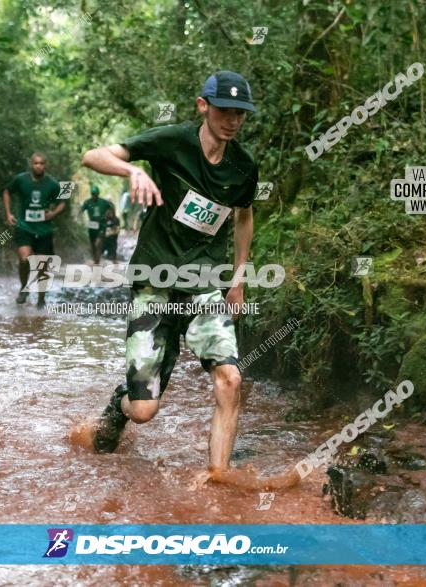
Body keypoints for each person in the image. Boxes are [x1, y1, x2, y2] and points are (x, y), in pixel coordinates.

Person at [80, 70, 259, 475]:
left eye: (240, 114)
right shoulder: (172, 142)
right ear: (203, 106)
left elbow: (244, 216)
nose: (232, 120)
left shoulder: (243, 167)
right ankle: (120, 404)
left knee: (230, 380)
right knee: (144, 410)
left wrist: (238, 277)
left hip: (205, 286)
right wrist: (134, 171)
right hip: (154, 282)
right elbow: (93, 156)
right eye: (224, 111)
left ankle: (218, 478)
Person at [3, 152, 66, 305]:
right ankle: (24, 288)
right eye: (36, 163)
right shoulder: (20, 179)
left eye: (41, 163)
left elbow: (63, 201)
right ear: (31, 164)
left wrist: (53, 214)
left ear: (45, 165)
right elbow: (6, 191)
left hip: (44, 229)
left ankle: (41, 299)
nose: (38, 166)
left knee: (42, 266)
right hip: (24, 226)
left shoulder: (52, 183)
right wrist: (9, 213)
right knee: (24, 259)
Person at [80, 184, 113, 265]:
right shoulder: (87, 202)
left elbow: (111, 207)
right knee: (93, 244)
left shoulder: (103, 202)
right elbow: (81, 210)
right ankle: (95, 259)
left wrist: (110, 216)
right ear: (91, 194)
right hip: (92, 225)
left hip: (102, 224)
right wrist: (76, 217)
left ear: (98, 194)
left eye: (95, 194)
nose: (94, 196)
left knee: (98, 243)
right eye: (93, 194)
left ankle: (97, 261)